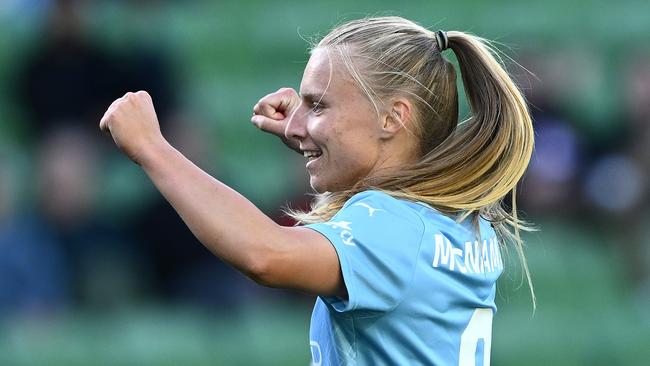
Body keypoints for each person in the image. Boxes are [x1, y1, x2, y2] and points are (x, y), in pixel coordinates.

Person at [100, 16, 534, 366]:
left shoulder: (392, 225)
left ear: (391, 118)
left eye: (319, 104)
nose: (297, 122)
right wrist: (315, 135)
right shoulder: (459, 218)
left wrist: (152, 149)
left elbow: (263, 255)